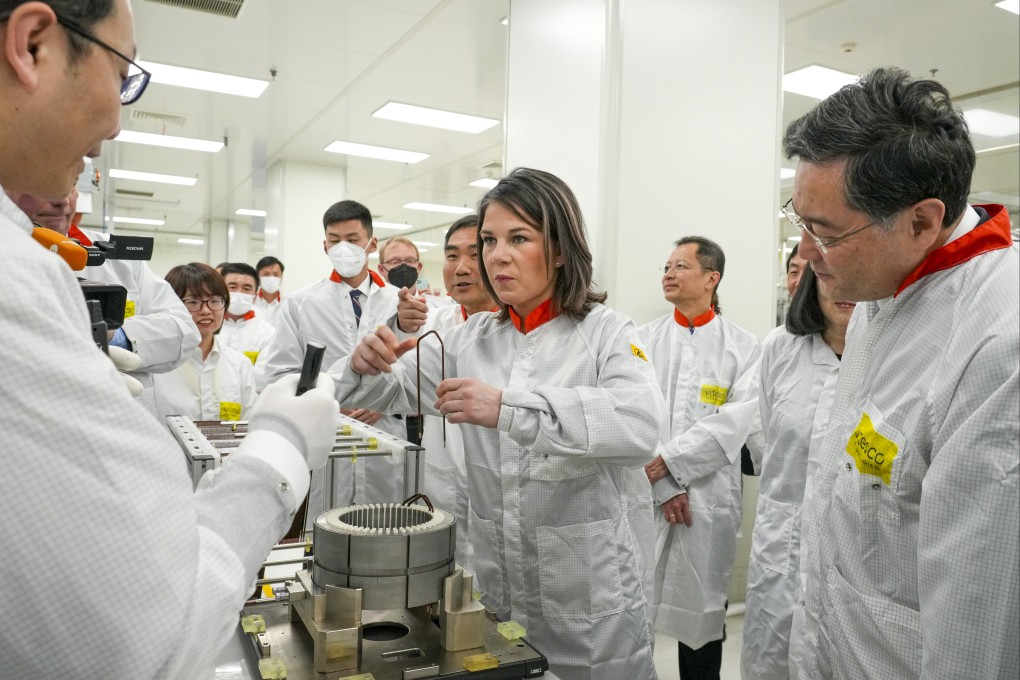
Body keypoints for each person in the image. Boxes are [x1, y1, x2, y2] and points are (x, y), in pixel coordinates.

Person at [0, 1, 339, 678]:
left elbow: (171, 323)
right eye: (123, 73)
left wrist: (115, 340)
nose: (114, 124)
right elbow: (153, 630)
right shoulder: (15, 276)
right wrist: (282, 448)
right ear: (33, 43)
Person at [330, 167, 665, 680]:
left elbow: (638, 426)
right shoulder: (469, 341)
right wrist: (363, 365)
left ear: (558, 249)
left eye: (519, 238)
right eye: (489, 240)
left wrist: (509, 408)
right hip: (500, 589)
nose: (496, 256)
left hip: (589, 601)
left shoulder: (607, 333)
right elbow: (394, 391)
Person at [784, 67, 1018, 680]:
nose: (805, 254)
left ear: (920, 221)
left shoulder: (1000, 346)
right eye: (800, 220)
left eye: (825, 232)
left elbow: (979, 624)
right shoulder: (882, 294)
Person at [639, 236, 760, 680]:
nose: (669, 274)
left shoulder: (746, 347)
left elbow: (736, 421)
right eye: (666, 266)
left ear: (712, 278)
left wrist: (669, 465)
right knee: (635, 607)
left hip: (707, 503)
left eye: (681, 266)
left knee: (703, 618)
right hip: (647, 494)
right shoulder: (640, 341)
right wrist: (666, 481)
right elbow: (634, 414)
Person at [740, 266, 854, 680]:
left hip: (853, 547)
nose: (845, 287)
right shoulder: (780, 347)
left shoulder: (888, 354)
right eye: (831, 275)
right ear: (811, 283)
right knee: (772, 657)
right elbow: (763, 427)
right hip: (782, 538)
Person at [260, 198, 406, 513]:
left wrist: (385, 406)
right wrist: (327, 401)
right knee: (324, 529)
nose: (343, 248)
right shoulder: (301, 304)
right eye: (334, 240)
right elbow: (277, 374)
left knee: (385, 529)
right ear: (324, 245)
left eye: (352, 240)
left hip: (385, 436)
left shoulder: (399, 303)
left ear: (371, 244)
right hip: (327, 435)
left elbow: (418, 371)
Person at [7, 184, 200, 413]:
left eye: (71, 187)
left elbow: (184, 332)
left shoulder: (118, 256)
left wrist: (113, 336)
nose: (63, 201)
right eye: (46, 186)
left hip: (124, 417)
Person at [393, 213, 498, 569]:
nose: (461, 267)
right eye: (452, 256)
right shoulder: (433, 327)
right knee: (438, 579)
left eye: (473, 254)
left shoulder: (524, 334)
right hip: (441, 482)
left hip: (498, 494)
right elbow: (393, 373)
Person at [152, 263, 258, 421]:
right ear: (172, 305)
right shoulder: (154, 366)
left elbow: (249, 423)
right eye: (193, 302)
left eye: (215, 301)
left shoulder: (239, 365)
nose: (206, 310)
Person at [217, 261, 276, 390]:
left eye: (246, 288)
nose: (239, 292)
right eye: (232, 286)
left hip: (249, 403)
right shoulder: (208, 327)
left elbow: (262, 378)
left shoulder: (268, 333)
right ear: (221, 289)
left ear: (255, 293)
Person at [254, 255, 285, 326]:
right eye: (266, 274)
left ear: (281, 276)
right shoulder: (250, 301)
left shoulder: (288, 303)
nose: (271, 278)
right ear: (258, 276)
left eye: (276, 274)